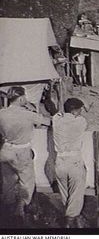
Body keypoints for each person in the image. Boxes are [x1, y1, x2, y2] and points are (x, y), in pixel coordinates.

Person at [0, 86, 51, 223]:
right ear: (21, 98)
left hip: (6, 150)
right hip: (22, 151)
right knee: (27, 182)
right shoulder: (28, 114)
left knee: (7, 182)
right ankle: (20, 208)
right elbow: (48, 121)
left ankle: (7, 209)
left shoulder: (1, 113)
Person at [52, 98, 88, 228]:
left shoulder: (56, 120)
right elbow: (79, 117)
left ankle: (69, 215)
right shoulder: (81, 122)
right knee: (76, 192)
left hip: (60, 161)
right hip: (74, 160)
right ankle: (70, 219)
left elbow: (58, 114)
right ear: (76, 111)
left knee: (64, 192)